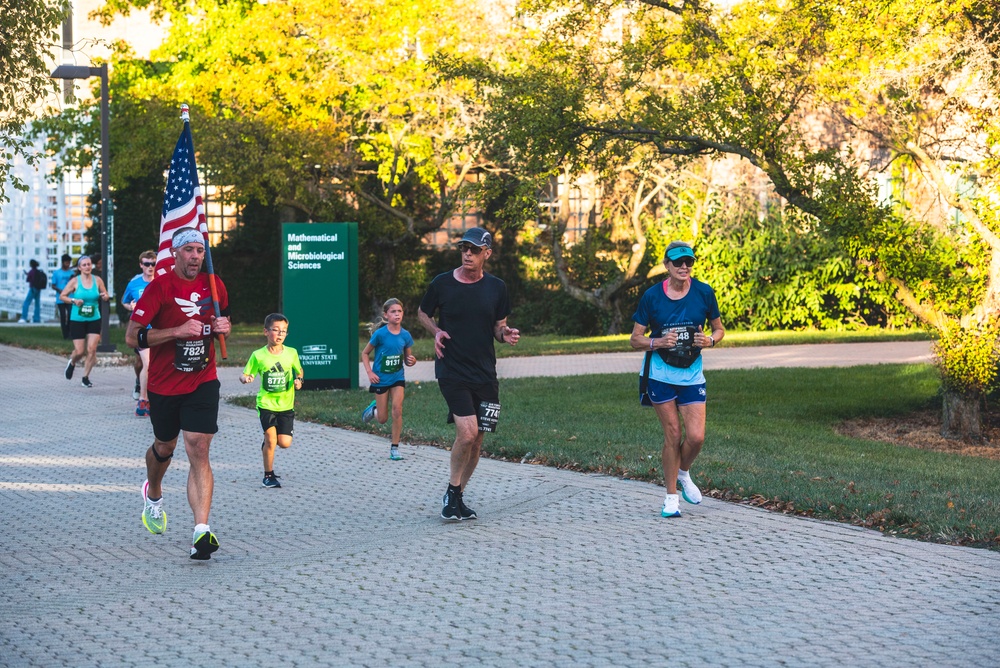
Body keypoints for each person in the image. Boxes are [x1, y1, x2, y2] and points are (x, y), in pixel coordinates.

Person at [125, 227, 231, 560]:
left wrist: (222, 326)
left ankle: (202, 531)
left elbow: (221, 318)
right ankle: (153, 492)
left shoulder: (214, 284)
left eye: (200, 250)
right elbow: (132, 336)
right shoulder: (159, 287)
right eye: (190, 251)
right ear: (175, 254)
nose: (196, 257)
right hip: (163, 383)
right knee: (164, 445)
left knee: (199, 445)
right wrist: (176, 332)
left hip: (202, 379)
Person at [418, 227, 520, 521]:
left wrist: (506, 334)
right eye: (464, 248)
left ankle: (458, 497)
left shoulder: (497, 288)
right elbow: (423, 313)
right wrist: (436, 332)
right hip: (451, 369)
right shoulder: (442, 284)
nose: (467, 254)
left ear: (486, 253)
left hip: (486, 373)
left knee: (479, 439)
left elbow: (498, 325)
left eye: (474, 250)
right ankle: (451, 491)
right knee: (467, 432)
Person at [629, 240, 724, 519]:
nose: (684, 267)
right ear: (667, 266)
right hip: (660, 375)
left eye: (689, 262)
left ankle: (683, 473)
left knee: (696, 437)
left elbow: (719, 330)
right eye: (678, 262)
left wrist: (709, 340)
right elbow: (635, 339)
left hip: (692, 373)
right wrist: (658, 341)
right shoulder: (651, 297)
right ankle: (671, 498)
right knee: (673, 435)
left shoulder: (704, 293)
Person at [240, 313, 303, 488]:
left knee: (284, 443)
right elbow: (246, 373)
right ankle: (268, 476)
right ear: (266, 332)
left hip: (286, 404)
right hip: (266, 403)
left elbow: (299, 371)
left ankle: (269, 443)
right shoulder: (258, 355)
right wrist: (246, 378)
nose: (280, 334)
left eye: (284, 331)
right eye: (276, 330)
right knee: (271, 438)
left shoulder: (291, 353)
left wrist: (299, 381)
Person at [361, 298, 417, 461]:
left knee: (397, 409)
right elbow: (365, 353)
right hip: (380, 379)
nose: (397, 314)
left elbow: (408, 359)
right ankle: (375, 410)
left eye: (399, 311)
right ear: (386, 315)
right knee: (383, 419)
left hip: (397, 378)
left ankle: (395, 448)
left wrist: (411, 361)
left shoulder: (406, 335)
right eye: (393, 311)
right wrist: (370, 373)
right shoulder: (380, 334)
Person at [59, 256, 110, 388]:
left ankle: (85, 377)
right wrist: (73, 301)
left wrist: (105, 296)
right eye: (84, 265)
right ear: (79, 267)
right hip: (78, 319)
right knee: (80, 351)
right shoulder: (74, 281)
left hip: (94, 318)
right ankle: (72, 362)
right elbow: (62, 296)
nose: (87, 266)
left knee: (92, 349)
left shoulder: (97, 280)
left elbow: (105, 294)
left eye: (89, 264)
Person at [122, 250, 158, 416]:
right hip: (141, 329)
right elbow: (124, 302)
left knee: (150, 365)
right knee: (148, 363)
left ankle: (149, 391)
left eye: (153, 264)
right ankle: (143, 401)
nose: (150, 267)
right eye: (147, 264)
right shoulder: (134, 283)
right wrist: (131, 307)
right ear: (141, 265)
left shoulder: (161, 281)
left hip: (159, 329)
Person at [51, 254, 76, 338]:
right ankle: (65, 334)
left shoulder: (72, 273)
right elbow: (53, 285)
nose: (68, 264)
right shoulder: (56, 273)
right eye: (66, 262)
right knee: (63, 316)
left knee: (70, 314)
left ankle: (69, 332)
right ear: (62, 262)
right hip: (60, 298)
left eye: (69, 263)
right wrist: (60, 290)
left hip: (70, 297)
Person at [19, 259, 45, 323]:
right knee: (37, 304)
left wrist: (28, 275)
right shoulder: (38, 271)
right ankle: (36, 318)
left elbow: (28, 280)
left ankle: (23, 317)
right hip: (38, 289)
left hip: (32, 289)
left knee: (26, 303)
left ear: (31, 264)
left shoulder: (31, 271)